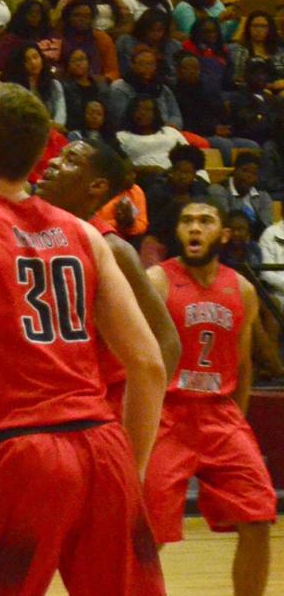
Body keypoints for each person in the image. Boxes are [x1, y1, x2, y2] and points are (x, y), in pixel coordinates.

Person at [0, 83, 167, 595]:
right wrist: (127, 473)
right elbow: (149, 363)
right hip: (104, 446)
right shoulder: (84, 233)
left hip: (19, 456)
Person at [142, 202, 276, 595]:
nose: (194, 229)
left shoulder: (243, 289)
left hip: (221, 416)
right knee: (149, 532)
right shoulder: (158, 280)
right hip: (169, 415)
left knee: (258, 517)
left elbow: (244, 364)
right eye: (186, 221)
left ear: (224, 234)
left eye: (205, 221)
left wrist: (239, 421)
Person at [35, 139, 182, 410]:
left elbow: (167, 340)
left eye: (71, 161)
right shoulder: (32, 233)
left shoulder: (112, 249)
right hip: (49, 399)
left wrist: (142, 418)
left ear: (97, 186)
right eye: (58, 155)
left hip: (100, 406)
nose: (54, 163)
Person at [208, 150, 274, 238]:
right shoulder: (218, 190)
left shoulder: (263, 196)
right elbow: (227, 222)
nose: (248, 176)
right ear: (235, 170)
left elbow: (266, 227)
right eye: (244, 170)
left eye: (253, 173)